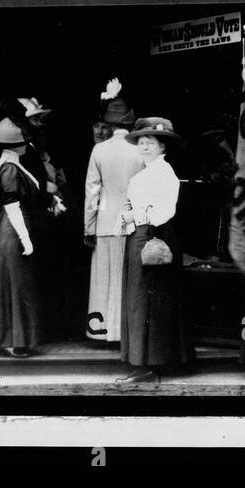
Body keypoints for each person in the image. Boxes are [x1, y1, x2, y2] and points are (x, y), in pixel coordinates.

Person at [118, 116, 190, 382]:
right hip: (139, 235)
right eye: (142, 142)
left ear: (163, 147)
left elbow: (163, 211)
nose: (145, 146)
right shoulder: (144, 173)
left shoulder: (164, 172)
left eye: (151, 142)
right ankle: (143, 360)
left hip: (153, 236)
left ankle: (151, 363)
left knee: (148, 300)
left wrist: (135, 217)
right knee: (140, 298)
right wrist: (129, 215)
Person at [0, 116, 49, 357]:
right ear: (13, 145)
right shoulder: (10, 167)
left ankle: (17, 339)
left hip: (13, 227)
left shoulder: (11, 162)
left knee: (16, 283)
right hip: (13, 228)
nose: (26, 145)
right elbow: (12, 205)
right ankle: (13, 340)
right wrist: (26, 238)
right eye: (23, 141)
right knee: (15, 284)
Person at [84, 81, 144, 344]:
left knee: (102, 281)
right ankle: (125, 332)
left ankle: (100, 331)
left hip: (105, 224)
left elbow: (93, 193)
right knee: (126, 280)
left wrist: (88, 226)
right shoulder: (139, 151)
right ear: (128, 124)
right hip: (130, 224)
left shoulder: (99, 150)